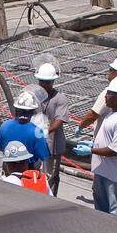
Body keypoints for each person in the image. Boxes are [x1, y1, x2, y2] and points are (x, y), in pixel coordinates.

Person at [87, 76, 117, 219]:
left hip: (115, 176)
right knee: (101, 210)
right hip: (103, 170)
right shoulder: (111, 113)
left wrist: (91, 150)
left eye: (108, 94)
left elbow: (115, 150)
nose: (105, 97)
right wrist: (93, 145)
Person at [77, 54, 117, 137]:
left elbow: (93, 115)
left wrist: (81, 126)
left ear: (116, 73)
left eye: (111, 69)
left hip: (106, 138)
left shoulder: (109, 93)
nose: (108, 72)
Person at [35, 63, 70, 196]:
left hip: (52, 145)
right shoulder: (35, 96)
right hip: (36, 143)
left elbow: (59, 120)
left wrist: (45, 131)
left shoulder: (60, 99)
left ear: (52, 82)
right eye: (41, 82)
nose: (43, 85)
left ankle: (50, 199)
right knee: (34, 173)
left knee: (50, 177)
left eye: (47, 82)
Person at [0, 90, 49, 171]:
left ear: (16, 110)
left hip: (8, 167)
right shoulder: (37, 131)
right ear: (32, 112)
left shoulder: (4, 126)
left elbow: (0, 146)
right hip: (28, 170)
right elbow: (44, 155)